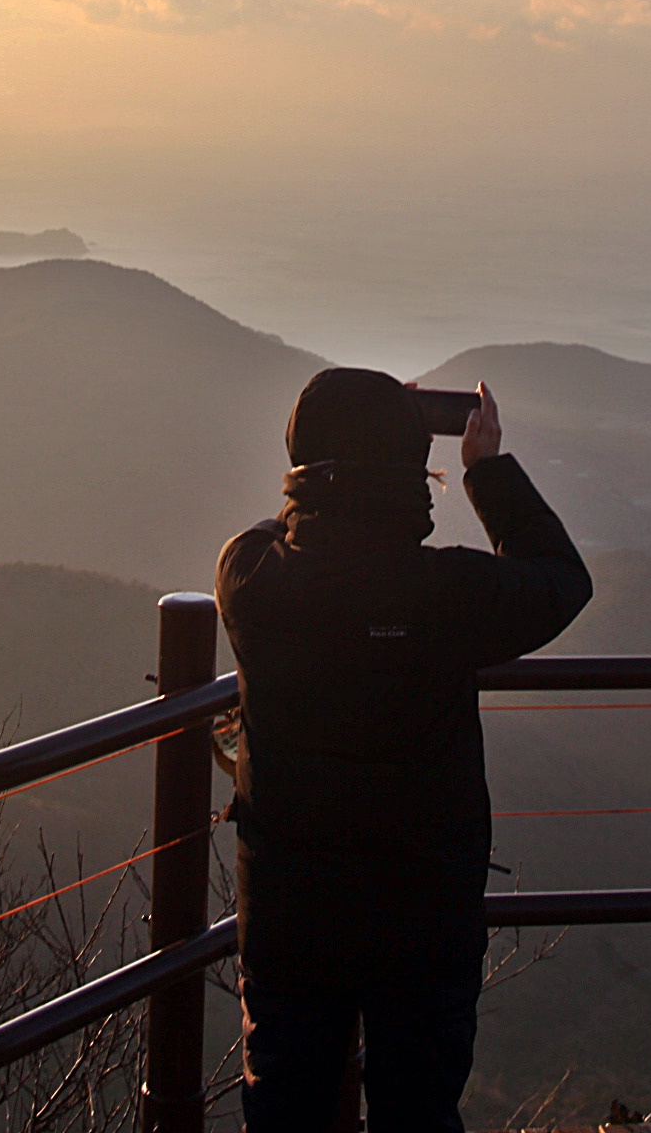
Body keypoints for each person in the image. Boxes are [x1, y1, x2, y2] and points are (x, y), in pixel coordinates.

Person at [216, 367, 592, 1133]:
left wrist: (342, 456)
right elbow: (560, 579)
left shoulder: (252, 579)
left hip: (291, 907)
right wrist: (485, 473)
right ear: (411, 475)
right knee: (417, 1106)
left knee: (286, 1101)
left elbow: (275, 529)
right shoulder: (451, 593)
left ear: (300, 465)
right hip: (425, 906)